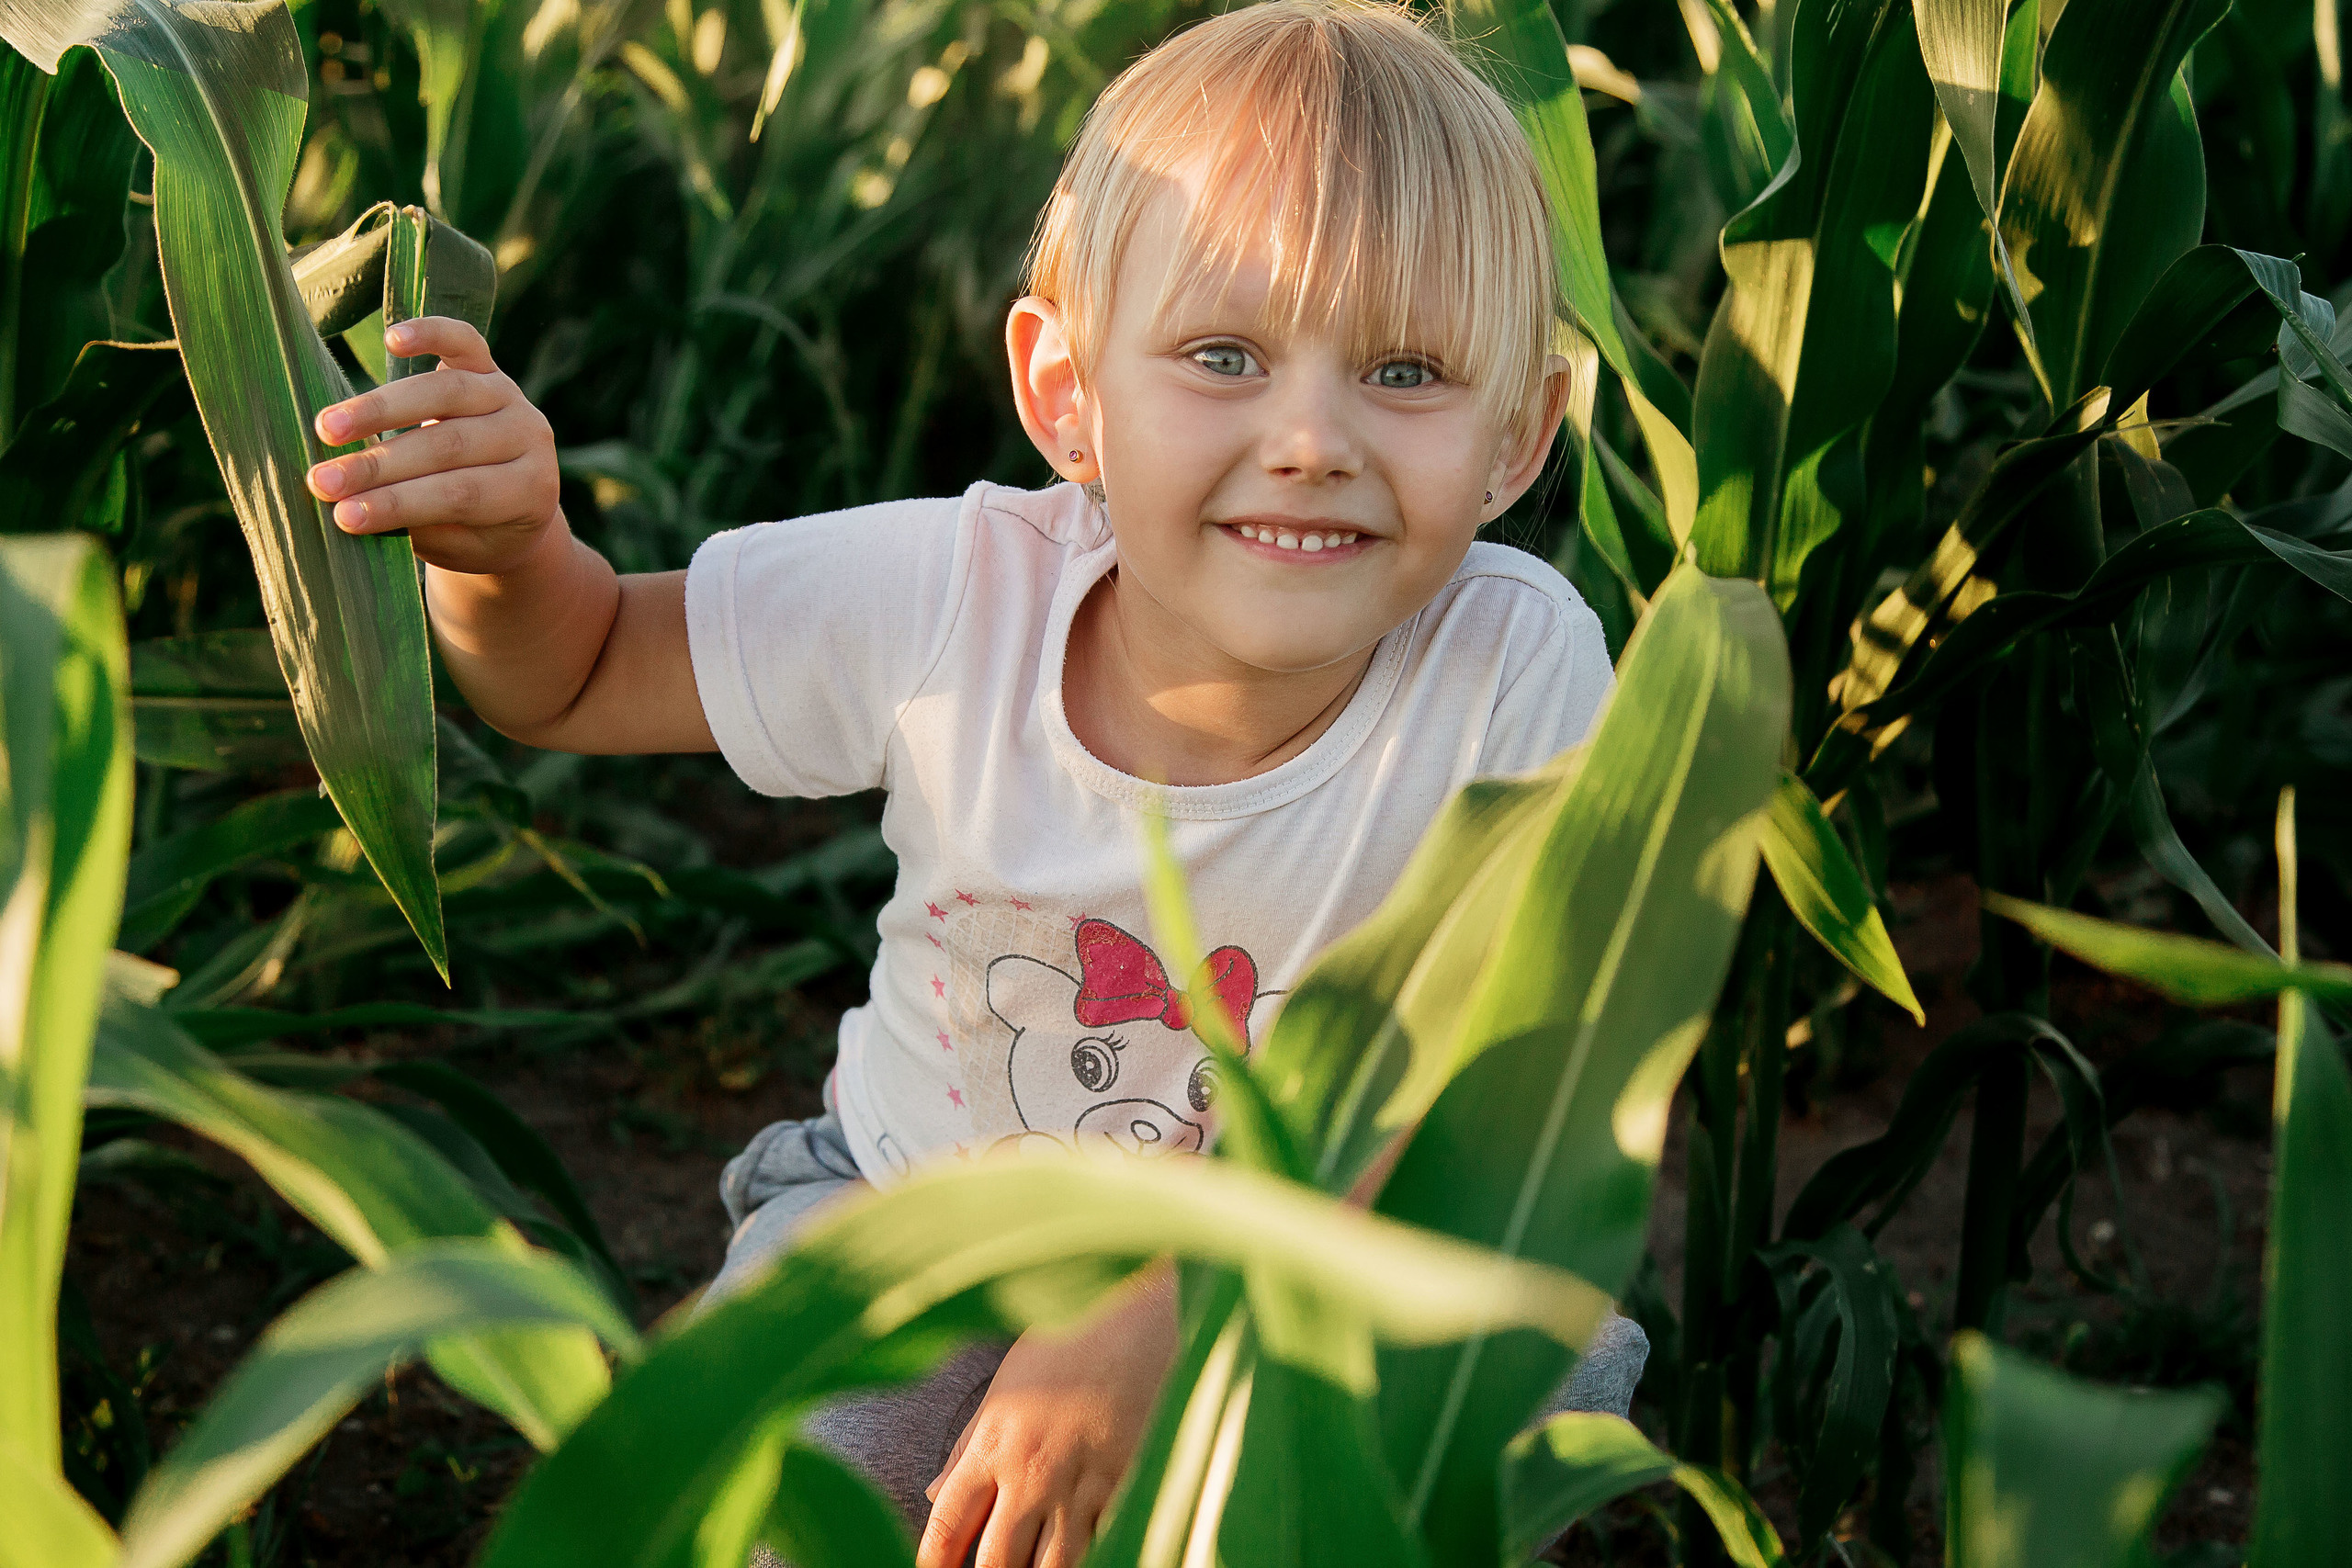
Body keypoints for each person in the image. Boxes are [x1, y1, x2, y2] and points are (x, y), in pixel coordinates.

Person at [302, 3, 1645, 1562]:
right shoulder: (956, 598)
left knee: (1495, 1441)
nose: (1311, 441)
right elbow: (585, 666)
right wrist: (507, 552)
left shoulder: (1512, 667)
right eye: (1223, 356)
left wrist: (1164, 1307)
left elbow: (1494, 1082)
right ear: (1067, 394)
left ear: (1518, 437)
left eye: (1405, 371)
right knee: (776, 1503)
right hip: (919, 1216)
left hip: (1338, 1243)